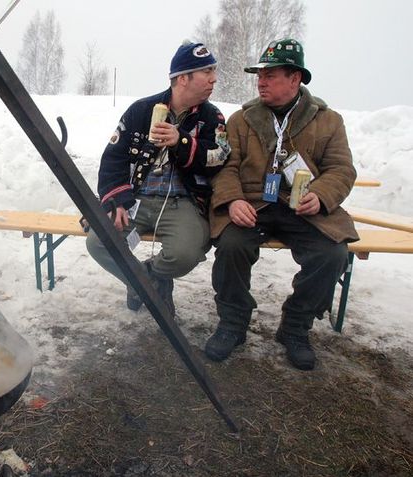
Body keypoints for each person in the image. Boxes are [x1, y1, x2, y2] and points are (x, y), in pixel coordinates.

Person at [204, 39, 359, 370]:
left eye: (271, 75)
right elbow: (225, 167)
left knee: (332, 254)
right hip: (254, 204)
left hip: (303, 207)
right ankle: (233, 323)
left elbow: (341, 170)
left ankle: (295, 327)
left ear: (295, 79)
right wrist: (232, 201)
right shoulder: (241, 119)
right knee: (231, 245)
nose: (261, 81)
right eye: (260, 75)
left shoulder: (329, 121)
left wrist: (321, 196)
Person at [86, 40, 230, 316]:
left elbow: (220, 157)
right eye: (206, 72)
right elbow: (114, 158)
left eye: (214, 71)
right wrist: (116, 200)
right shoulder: (141, 110)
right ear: (183, 78)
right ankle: (149, 284)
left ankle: (148, 276)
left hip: (182, 202)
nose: (214, 79)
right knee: (97, 242)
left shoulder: (213, 117)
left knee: (185, 254)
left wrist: (183, 142)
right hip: (136, 198)